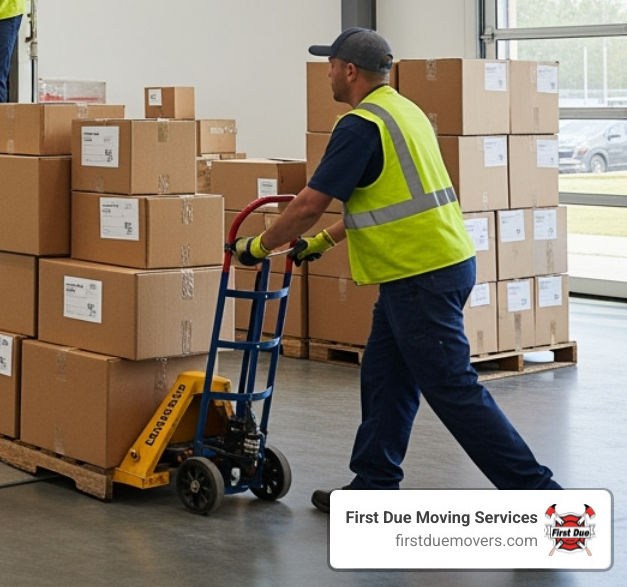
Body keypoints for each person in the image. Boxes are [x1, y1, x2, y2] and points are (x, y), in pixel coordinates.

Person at [230, 28, 561, 510]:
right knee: (385, 378)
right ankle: (374, 485)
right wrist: (324, 241)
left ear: (349, 70)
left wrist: (256, 247)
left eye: (330, 65)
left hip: (419, 275)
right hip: (434, 266)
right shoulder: (404, 112)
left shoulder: (360, 126)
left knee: (453, 389)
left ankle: (542, 498)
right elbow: (382, 197)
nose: (326, 73)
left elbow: (307, 204)